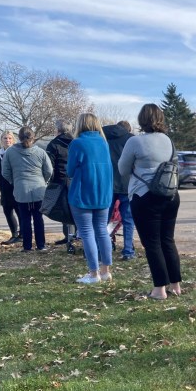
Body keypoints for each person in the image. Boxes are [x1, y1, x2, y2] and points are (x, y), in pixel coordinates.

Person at [119, 104, 182, 300]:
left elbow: (122, 169)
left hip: (144, 196)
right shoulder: (168, 140)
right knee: (168, 240)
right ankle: (176, 285)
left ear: (141, 120)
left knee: (152, 243)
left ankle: (159, 290)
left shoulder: (135, 142)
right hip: (171, 195)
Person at [67, 113, 114, 284]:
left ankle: (93, 274)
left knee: (86, 232)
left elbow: (70, 171)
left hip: (82, 194)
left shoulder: (77, 143)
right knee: (102, 231)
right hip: (103, 193)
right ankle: (105, 271)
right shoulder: (104, 143)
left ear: (80, 125)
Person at [1, 127, 53, 252]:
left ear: (18, 137)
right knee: (38, 218)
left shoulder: (10, 152)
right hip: (38, 189)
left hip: (21, 189)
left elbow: (5, 172)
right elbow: (49, 171)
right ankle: (41, 245)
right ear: (33, 137)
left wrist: (15, 181)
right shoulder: (40, 152)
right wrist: (43, 181)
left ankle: (27, 246)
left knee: (24, 219)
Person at [102, 120, 136, 260]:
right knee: (128, 220)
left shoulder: (104, 137)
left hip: (108, 184)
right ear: (128, 129)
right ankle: (128, 250)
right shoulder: (131, 139)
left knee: (104, 219)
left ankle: (101, 249)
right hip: (126, 183)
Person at [45, 119, 76, 253]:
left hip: (60, 181)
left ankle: (69, 238)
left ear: (57, 130)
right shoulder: (76, 142)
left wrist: (50, 180)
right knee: (76, 210)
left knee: (64, 210)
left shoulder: (53, 144)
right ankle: (76, 235)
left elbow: (49, 166)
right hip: (75, 179)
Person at [0, 131, 21, 245]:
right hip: (4, 187)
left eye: (10, 138)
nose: (7, 140)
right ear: (1, 140)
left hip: (15, 185)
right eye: (5, 138)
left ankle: (23, 234)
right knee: (7, 210)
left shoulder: (17, 151)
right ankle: (14, 234)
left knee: (19, 210)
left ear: (13, 140)